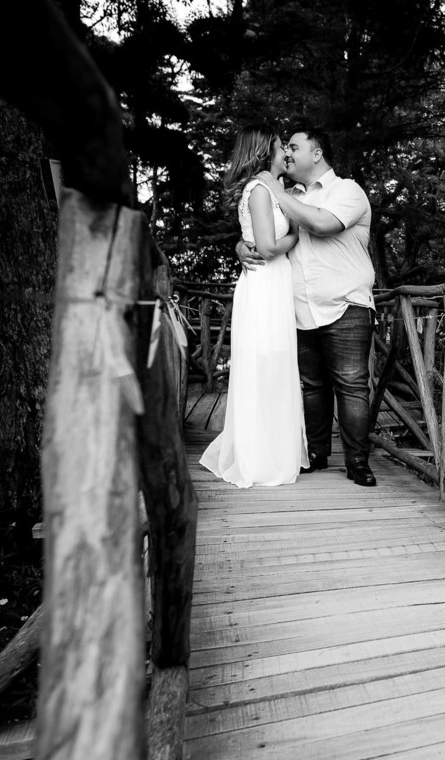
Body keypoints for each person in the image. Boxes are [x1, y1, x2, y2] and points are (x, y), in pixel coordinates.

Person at [238, 126, 378, 487]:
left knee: (351, 385)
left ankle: (357, 462)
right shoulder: (288, 193)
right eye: (284, 148)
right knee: (312, 386)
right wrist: (241, 246)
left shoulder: (347, 190)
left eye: (294, 147)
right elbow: (263, 233)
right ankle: (316, 454)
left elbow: (320, 223)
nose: (286, 153)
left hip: (345, 304)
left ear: (316, 154)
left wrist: (271, 189)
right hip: (298, 308)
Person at [200, 123, 309, 487]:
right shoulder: (261, 190)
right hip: (264, 284)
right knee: (265, 363)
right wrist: (296, 234)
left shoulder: (277, 189)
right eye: (281, 147)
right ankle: (258, 454)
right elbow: (265, 247)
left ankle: (274, 447)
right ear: (267, 153)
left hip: (274, 285)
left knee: (275, 364)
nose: (287, 153)